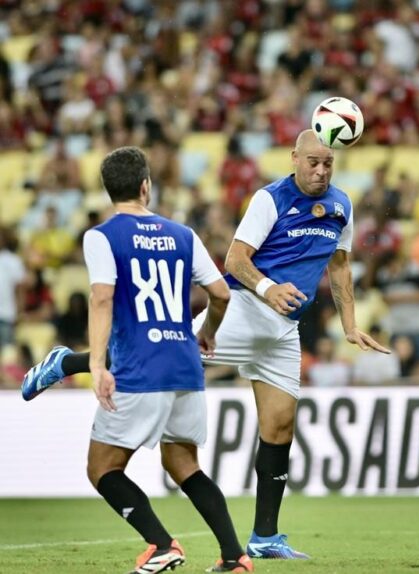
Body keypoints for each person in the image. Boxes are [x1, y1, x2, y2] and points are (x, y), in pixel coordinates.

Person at [22, 131, 390, 560]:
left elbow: (340, 266)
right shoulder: (270, 199)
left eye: (327, 163)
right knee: (167, 351)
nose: (320, 170)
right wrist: (269, 288)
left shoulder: (342, 205)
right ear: (294, 158)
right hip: (246, 310)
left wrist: (349, 325)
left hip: (285, 328)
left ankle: (265, 537)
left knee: (279, 428)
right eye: (312, 162)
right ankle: (68, 362)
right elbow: (234, 261)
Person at [23, 147, 252, 573]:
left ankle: (162, 544)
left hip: (140, 370)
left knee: (102, 468)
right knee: (184, 464)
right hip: (185, 364)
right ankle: (235, 557)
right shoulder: (183, 234)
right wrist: (207, 333)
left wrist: (96, 367)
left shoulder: (102, 236)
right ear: (147, 185)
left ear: (109, 190)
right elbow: (221, 293)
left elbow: (102, 296)